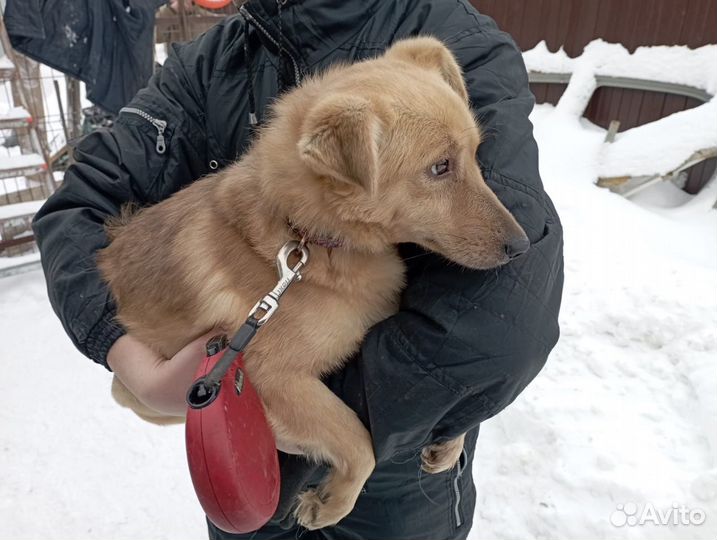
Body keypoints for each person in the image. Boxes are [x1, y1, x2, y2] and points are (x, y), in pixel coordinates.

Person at [32, 1, 564, 539]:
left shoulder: (447, 38)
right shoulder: (211, 61)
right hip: (244, 464)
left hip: (399, 479)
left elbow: (500, 326)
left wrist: (354, 433)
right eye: (442, 168)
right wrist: (133, 364)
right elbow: (75, 209)